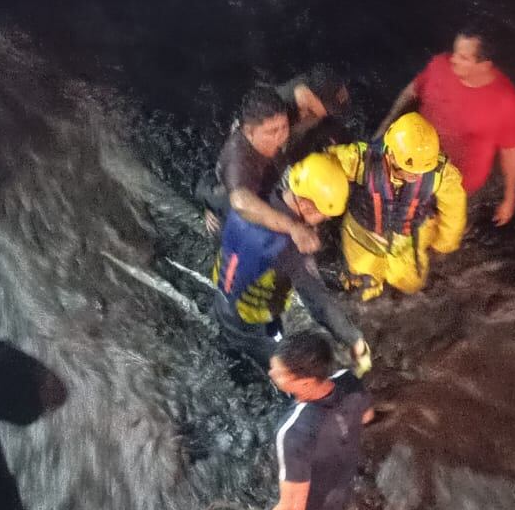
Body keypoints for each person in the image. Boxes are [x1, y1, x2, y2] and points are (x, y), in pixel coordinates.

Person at [212, 153, 371, 374]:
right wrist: (354, 340)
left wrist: (207, 209)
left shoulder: (254, 195)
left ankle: (228, 350)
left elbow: (217, 196)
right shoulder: (288, 247)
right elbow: (318, 301)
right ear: (306, 206)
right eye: (324, 215)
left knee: (230, 341)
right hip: (252, 325)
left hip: (223, 297)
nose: (324, 221)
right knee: (287, 372)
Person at [378, 28, 515, 226]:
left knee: (446, 233)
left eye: (463, 57)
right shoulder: (440, 65)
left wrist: (509, 198)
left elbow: (510, 151)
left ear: (484, 65)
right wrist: (386, 124)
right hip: (414, 166)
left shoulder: (506, 102)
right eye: (455, 52)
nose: (453, 59)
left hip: (460, 186)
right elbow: (411, 91)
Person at [250, 332, 375, 510]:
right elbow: (367, 416)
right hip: (344, 494)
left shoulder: (293, 432)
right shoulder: (349, 380)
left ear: (306, 383)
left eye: (279, 374)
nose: (271, 374)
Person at [324, 113, 466, 299]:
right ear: (390, 155)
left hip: (407, 239)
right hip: (363, 237)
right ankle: (366, 292)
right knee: (363, 286)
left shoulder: (441, 175)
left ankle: (400, 294)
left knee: (411, 283)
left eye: (422, 170)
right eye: (409, 170)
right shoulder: (361, 161)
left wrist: (445, 243)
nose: (416, 176)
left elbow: (454, 207)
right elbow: (327, 165)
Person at [198, 87, 319, 255]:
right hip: (232, 199)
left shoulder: (276, 112)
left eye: (283, 127)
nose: (280, 136)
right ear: (249, 132)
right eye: (272, 132)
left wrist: (321, 117)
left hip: (267, 170)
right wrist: (293, 227)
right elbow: (241, 202)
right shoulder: (237, 161)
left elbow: (302, 90)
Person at [276, 65, 353, 163]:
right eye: (328, 109)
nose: (325, 114)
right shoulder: (274, 111)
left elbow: (337, 130)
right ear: (307, 94)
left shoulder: (318, 115)